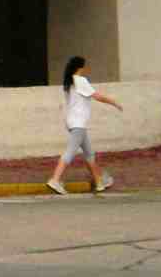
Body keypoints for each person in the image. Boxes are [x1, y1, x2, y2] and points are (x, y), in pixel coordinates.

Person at [46, 54, 122, 195]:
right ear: (81, 67)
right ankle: (55, 180)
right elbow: (97, 96)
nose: (87, 68)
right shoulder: (81, 81)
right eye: (85, 66)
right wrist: (114, 102)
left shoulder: (69, 82)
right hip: (78, 123)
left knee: (89, 154)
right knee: (70, 152)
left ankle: (99, 182)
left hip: (73, 122)